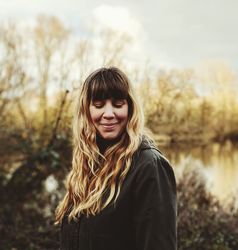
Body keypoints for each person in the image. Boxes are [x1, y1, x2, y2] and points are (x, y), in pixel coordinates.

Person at [55, 66, 177, 250]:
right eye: (98, 105)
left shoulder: (149, 166)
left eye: (118, 104)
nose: (109, 114)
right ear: (86, 110)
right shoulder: (88, 164)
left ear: (130, 108)